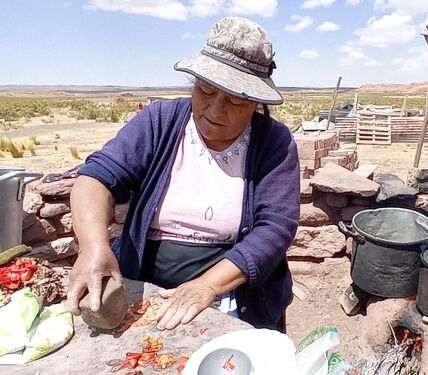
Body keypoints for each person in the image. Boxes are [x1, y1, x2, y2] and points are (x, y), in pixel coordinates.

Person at [65, 17, 300, 332]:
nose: (215, 110)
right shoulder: (160, 120)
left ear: (255, 104)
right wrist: (93, 246)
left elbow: (275, 229)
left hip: (232, 291)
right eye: (205, 91)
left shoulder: (273, 141)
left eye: (234, 101)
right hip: (146, 283)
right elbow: (95, 178)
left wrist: (208, 286)